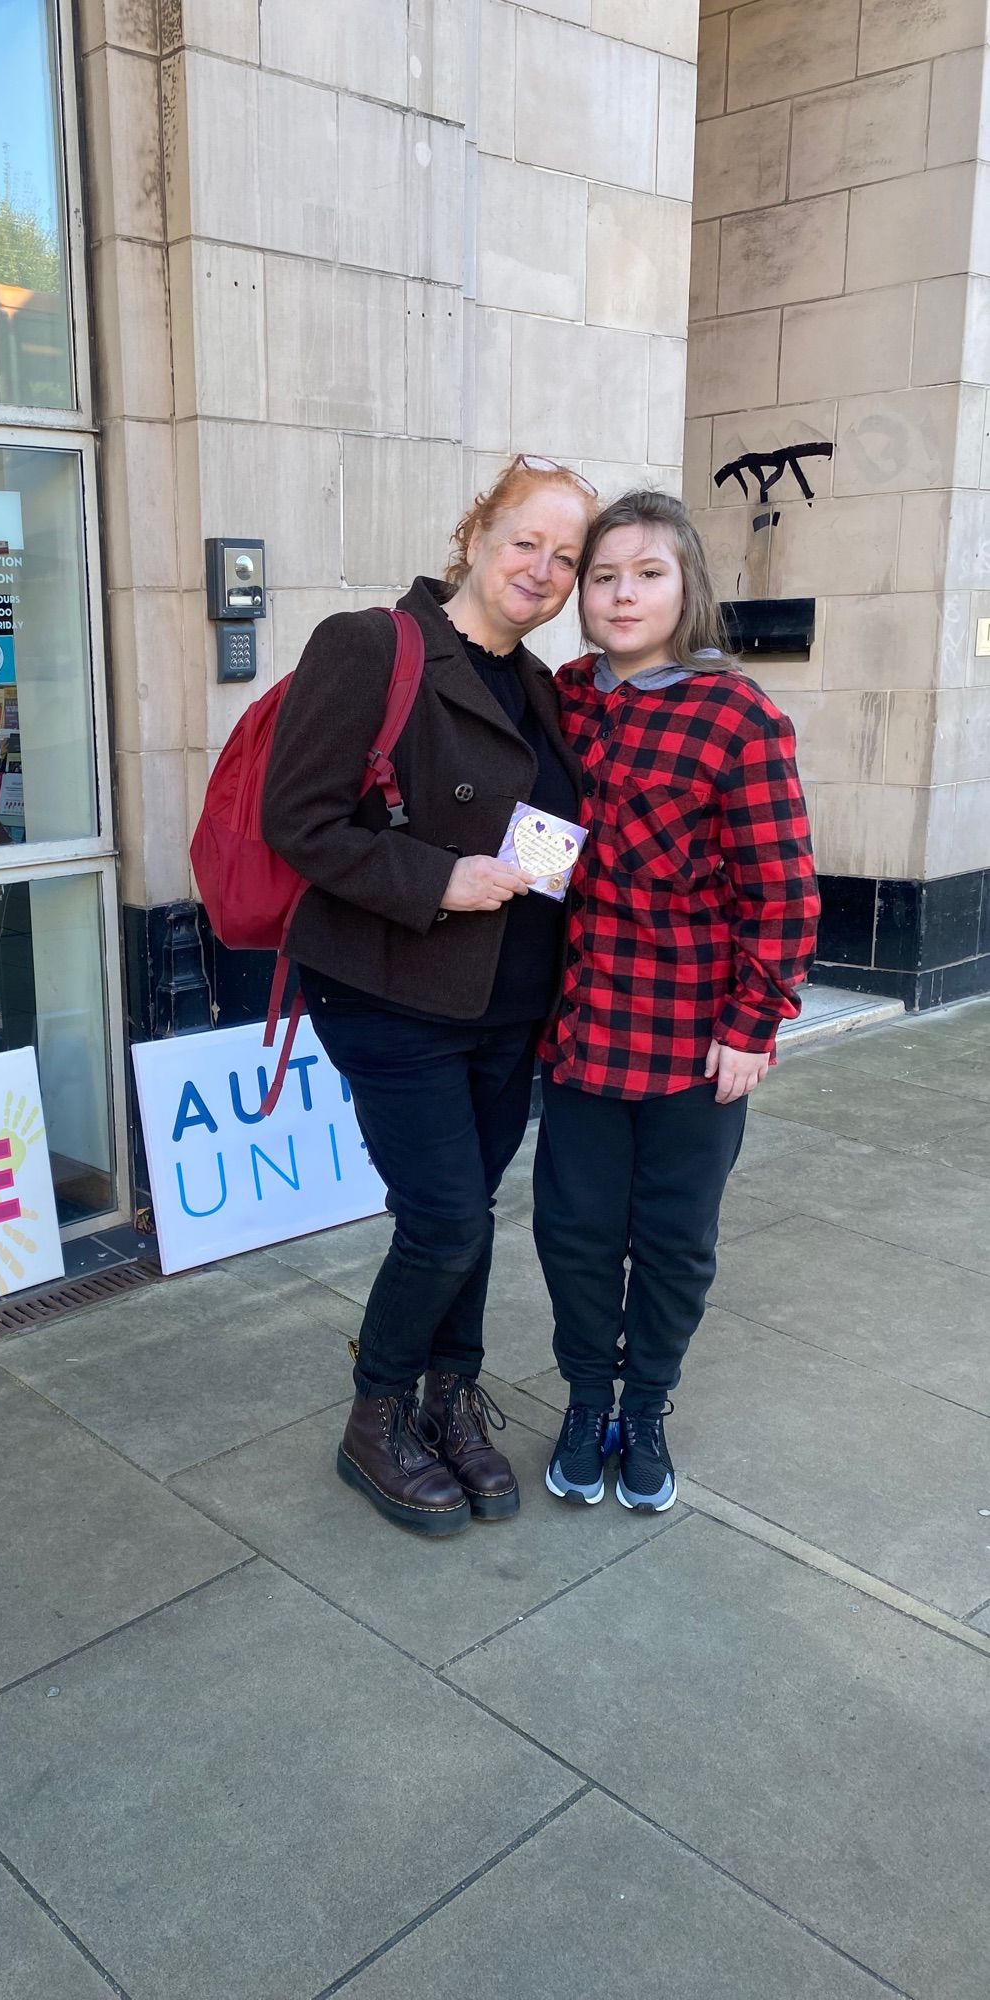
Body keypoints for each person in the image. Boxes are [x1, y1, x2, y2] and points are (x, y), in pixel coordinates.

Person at [262, 456, 599, 1536]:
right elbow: (299, 820)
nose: (541, 569)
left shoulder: (542, 686)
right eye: (524, 541)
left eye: (565, 556)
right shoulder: (371, 645)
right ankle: (376, 1412)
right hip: (394, 990)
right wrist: (436, 878)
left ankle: (449, 1400)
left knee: (465, 1213)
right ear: (476, 534)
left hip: (510, 1001)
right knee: (447, 1217)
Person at [535, 488, 820, 1514]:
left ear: (686, 585)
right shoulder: (561, 696)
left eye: (647, 573)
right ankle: (584, 1399)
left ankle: (644, 1405)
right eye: (604, 574)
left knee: (673, 1240)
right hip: (578, 1033)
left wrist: (754, 1025)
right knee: (571, 1232)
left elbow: (782, 888)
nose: (622, 593)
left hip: (696, 1043)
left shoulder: (737, 713)